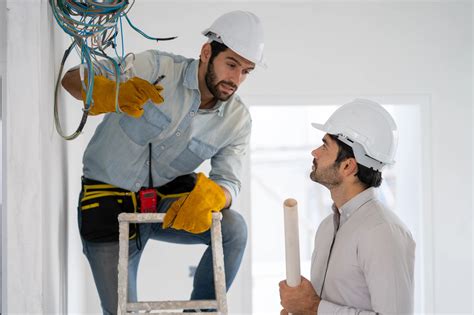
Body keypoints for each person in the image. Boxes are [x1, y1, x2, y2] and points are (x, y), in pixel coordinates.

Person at [61, 10, 265, 314]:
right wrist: (110, 93)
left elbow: (229, 181)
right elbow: (72, 79)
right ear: (207, 52)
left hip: (162, 205)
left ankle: (201, 311)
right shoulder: (154, 68)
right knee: (120, 311)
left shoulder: (237, 121)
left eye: (246, 71)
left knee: (233, 228)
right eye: (231, 65)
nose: (236, 80)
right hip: (106, 204)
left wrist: (216, 197)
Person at [279, 99, 415, 314]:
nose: (315, 152)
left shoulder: (382, 232)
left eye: (325, 146)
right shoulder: (327, 227)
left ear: (348, 166)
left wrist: (313, 308)